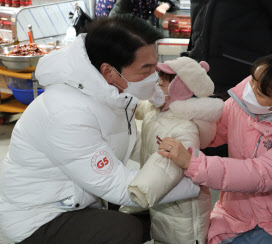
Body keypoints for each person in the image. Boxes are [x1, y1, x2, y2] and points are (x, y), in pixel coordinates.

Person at [0, 15, 200, 244]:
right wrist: (197, 178)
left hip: (77, 197)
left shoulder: (112, 93)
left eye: (155, 66)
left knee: (149, 218)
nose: (154, 77)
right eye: (146, 70)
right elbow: (120, 187)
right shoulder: (67, 114)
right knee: (127, 229)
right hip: (38, 217)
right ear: (109, 71)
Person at [158, 51, 272, 244]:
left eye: (260, 92)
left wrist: (194, 163)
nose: (250, 89)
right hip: (236, 213)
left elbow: (261, 175)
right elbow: (215, 131)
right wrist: (179, 120)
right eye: (253, 79)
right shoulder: (243, 103)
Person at [127, 57, 224, 244]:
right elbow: (135, 107)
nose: (154, 87)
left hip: (182, 209)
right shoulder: (155, 109)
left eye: (160, 84)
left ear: (177, 91)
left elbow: (169, 164)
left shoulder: (185, 127)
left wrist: (140, 190)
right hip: (162, 198)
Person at [184, 0, 272, 101]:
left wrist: (261, 55)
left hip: (240, 71)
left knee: (237, 119)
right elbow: (198, 22)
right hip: (199, 70)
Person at [109, 0, 179, 25]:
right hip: (128, 38)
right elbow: (113, 18)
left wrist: (166, 5)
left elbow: (176, 3)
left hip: (145, 35)